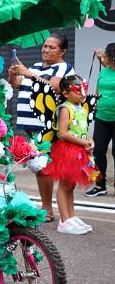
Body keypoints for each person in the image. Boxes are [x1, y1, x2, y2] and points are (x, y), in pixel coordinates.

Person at [9, 33, 75, 221]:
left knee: (45, 166)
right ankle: (48, 207)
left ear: (63, 51)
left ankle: (49, 209)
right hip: (32, 125)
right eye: (45, 46)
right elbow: (18, 85)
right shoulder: (36, 66)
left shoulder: (64, 68)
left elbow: (54, 87)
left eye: (51, 47)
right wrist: (13, 74)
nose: (46, 49)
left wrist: (29, 73)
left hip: (49, 125)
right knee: (39, 166)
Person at [42, 76, 97, 234]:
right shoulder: (65, 108)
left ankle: (71, 217)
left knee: (70, 186)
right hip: (68, 151)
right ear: (66, 93)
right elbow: (63, 133)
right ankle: (64, 220)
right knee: (64, 186)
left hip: (79, 151)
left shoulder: (80, 107)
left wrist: (89, 141)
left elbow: (81, 130)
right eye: (77, 90)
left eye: (84, 89)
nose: (82, 93)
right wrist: (82, 142)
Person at [86, 44, 115, 197]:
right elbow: (98, 91)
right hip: (102, 117)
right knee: (97, 151)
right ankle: (100, 185)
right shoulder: (104, 72)